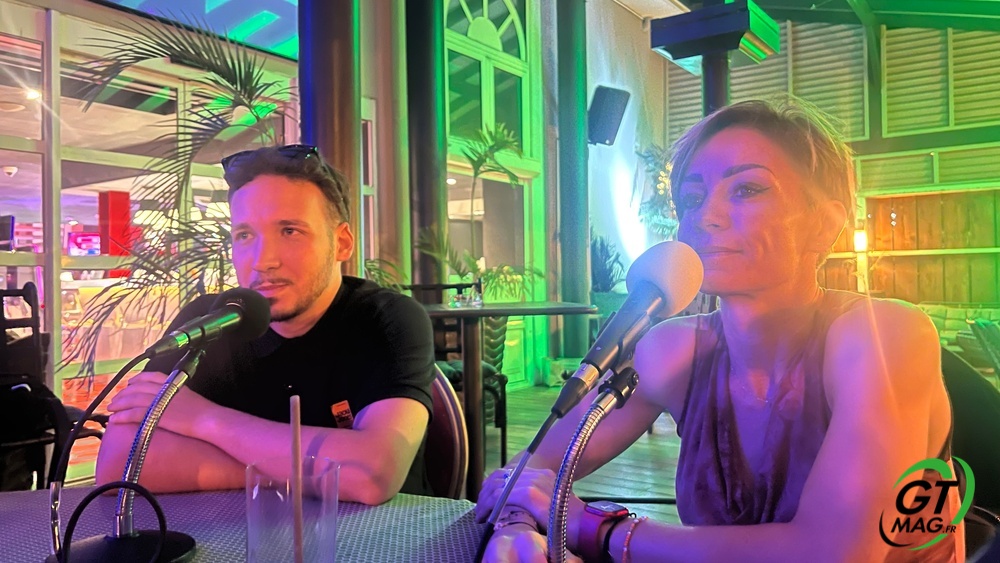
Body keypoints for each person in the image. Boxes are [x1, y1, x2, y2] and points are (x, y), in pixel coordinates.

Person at [476, 99, 965, 562]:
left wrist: (597, 529)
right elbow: (525, 470)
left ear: (824, 225)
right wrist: (517, 525)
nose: (704, 217)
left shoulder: (885, 337)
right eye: (692, 198)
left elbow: (834, 552)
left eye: (747, 189)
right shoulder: (675, 350)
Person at [96, 145, 436, 505]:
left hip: (379, 534)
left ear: (341, 243)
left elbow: (371, 475)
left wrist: (204, 420)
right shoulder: (209, 322)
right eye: (244, 235)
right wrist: (301, 471)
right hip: (231, 533)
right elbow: (118, 464)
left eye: (289, 231)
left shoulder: (386, 320)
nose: (262, 261)